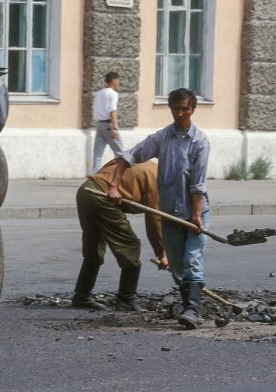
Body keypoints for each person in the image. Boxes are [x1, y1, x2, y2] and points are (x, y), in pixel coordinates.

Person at [106, 88, 210, 330]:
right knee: (176, 265)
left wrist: (196, 216)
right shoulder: (163, 138)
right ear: (171, 109)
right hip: (170, 214)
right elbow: (127, 156)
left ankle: (192, 310)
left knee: (193, 260)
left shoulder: (200, 141)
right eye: (176, 108)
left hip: (195, 213)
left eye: (185, 108)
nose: (181, 113)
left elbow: (198, 183)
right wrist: (114, 185)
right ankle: (190, 307)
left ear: (192, 109)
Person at [72, 160, 167, 312]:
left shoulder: (149, 164)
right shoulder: (159, 181)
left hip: (87, 189)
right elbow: (154, 221)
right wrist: (161, 253)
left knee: (94, 244)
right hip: (101, 196)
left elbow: (117, 160)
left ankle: (81, 296)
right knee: (130, 244)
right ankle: (126, 300)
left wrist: (100, 179)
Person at [92, 72, 124, 173]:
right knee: (120, 152)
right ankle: (120, 175)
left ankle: (94, 176)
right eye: (118, 80)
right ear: (113, 80)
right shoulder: (113, 94)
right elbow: (112, 110)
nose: (118, 82)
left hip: (100, 124)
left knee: (98, 153)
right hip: (109, 125)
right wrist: (115, 127)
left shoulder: (99, 93)